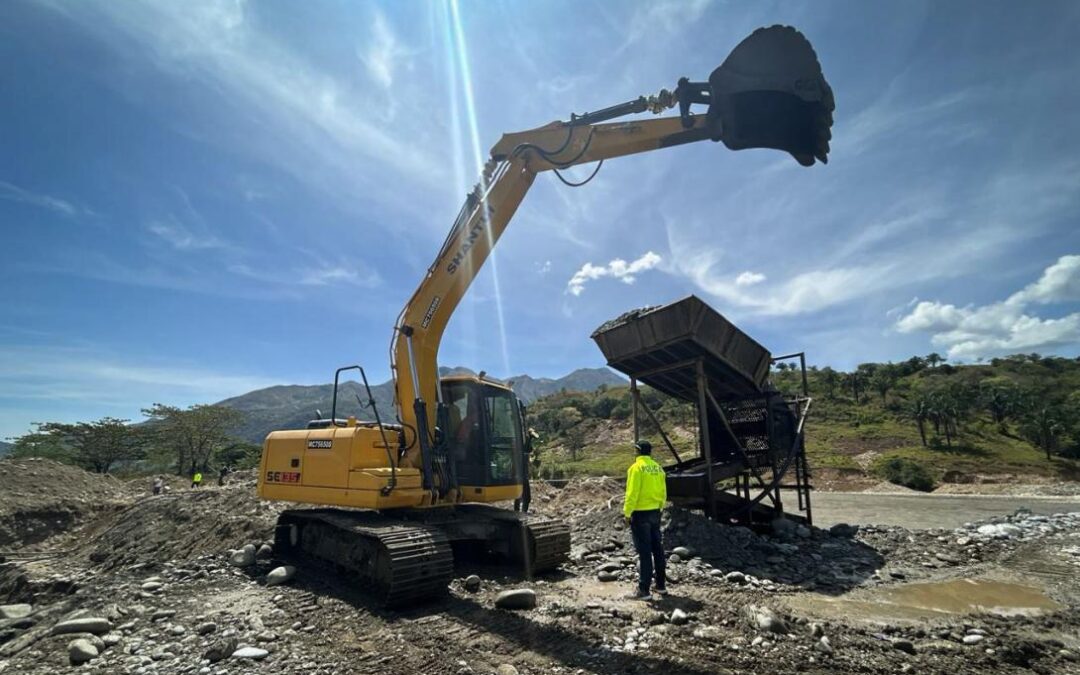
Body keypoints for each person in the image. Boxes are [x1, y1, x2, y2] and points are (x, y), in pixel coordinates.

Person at [623, 440, 667, 600]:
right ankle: (661, 586)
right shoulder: (658, 468)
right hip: (655, 511)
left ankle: (644, 590)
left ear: (637, 451)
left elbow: (632, 493)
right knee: (658, 549)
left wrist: (627, 513)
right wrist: (660, 507)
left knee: (644, 553)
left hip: (640, 513)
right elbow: (663, 491)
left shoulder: (636, 468)